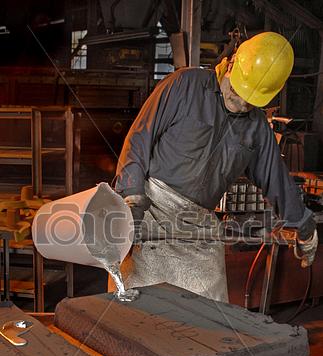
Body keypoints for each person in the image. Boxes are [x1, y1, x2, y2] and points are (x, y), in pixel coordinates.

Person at [112, 32, 318, 302]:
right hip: (151, 211)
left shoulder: (256, 127)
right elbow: (139, 139)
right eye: (237, 91)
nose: (241, 103)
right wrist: (131, 196)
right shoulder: (184, 85)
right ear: (232, 63)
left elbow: (276, 179)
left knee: (209, 314)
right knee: (140, 310)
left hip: (199, 224)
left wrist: (304, 227)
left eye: (250, 101)